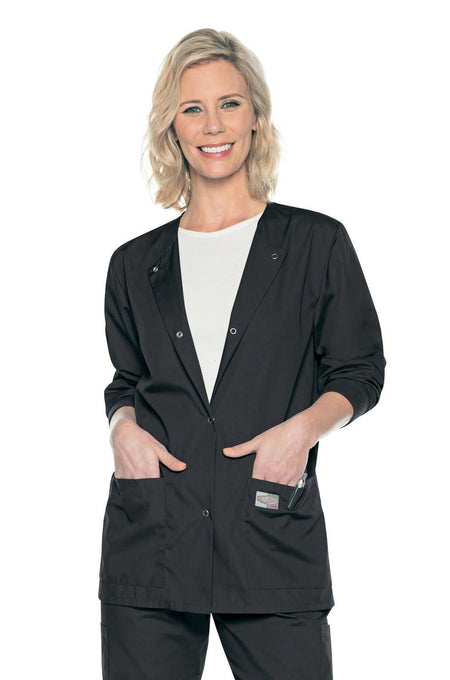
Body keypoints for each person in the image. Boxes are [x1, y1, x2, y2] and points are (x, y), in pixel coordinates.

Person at [98, 28, 385, 680]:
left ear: (255, 115)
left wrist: (301, 433)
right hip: (152, 538)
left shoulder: (316, 244)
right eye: (192, 108)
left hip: (269, 534)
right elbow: (127, 378)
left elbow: (360, 368)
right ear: (172, 126)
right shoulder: (133, 264)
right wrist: (121, 429)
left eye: (229, 103)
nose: (212, 125)